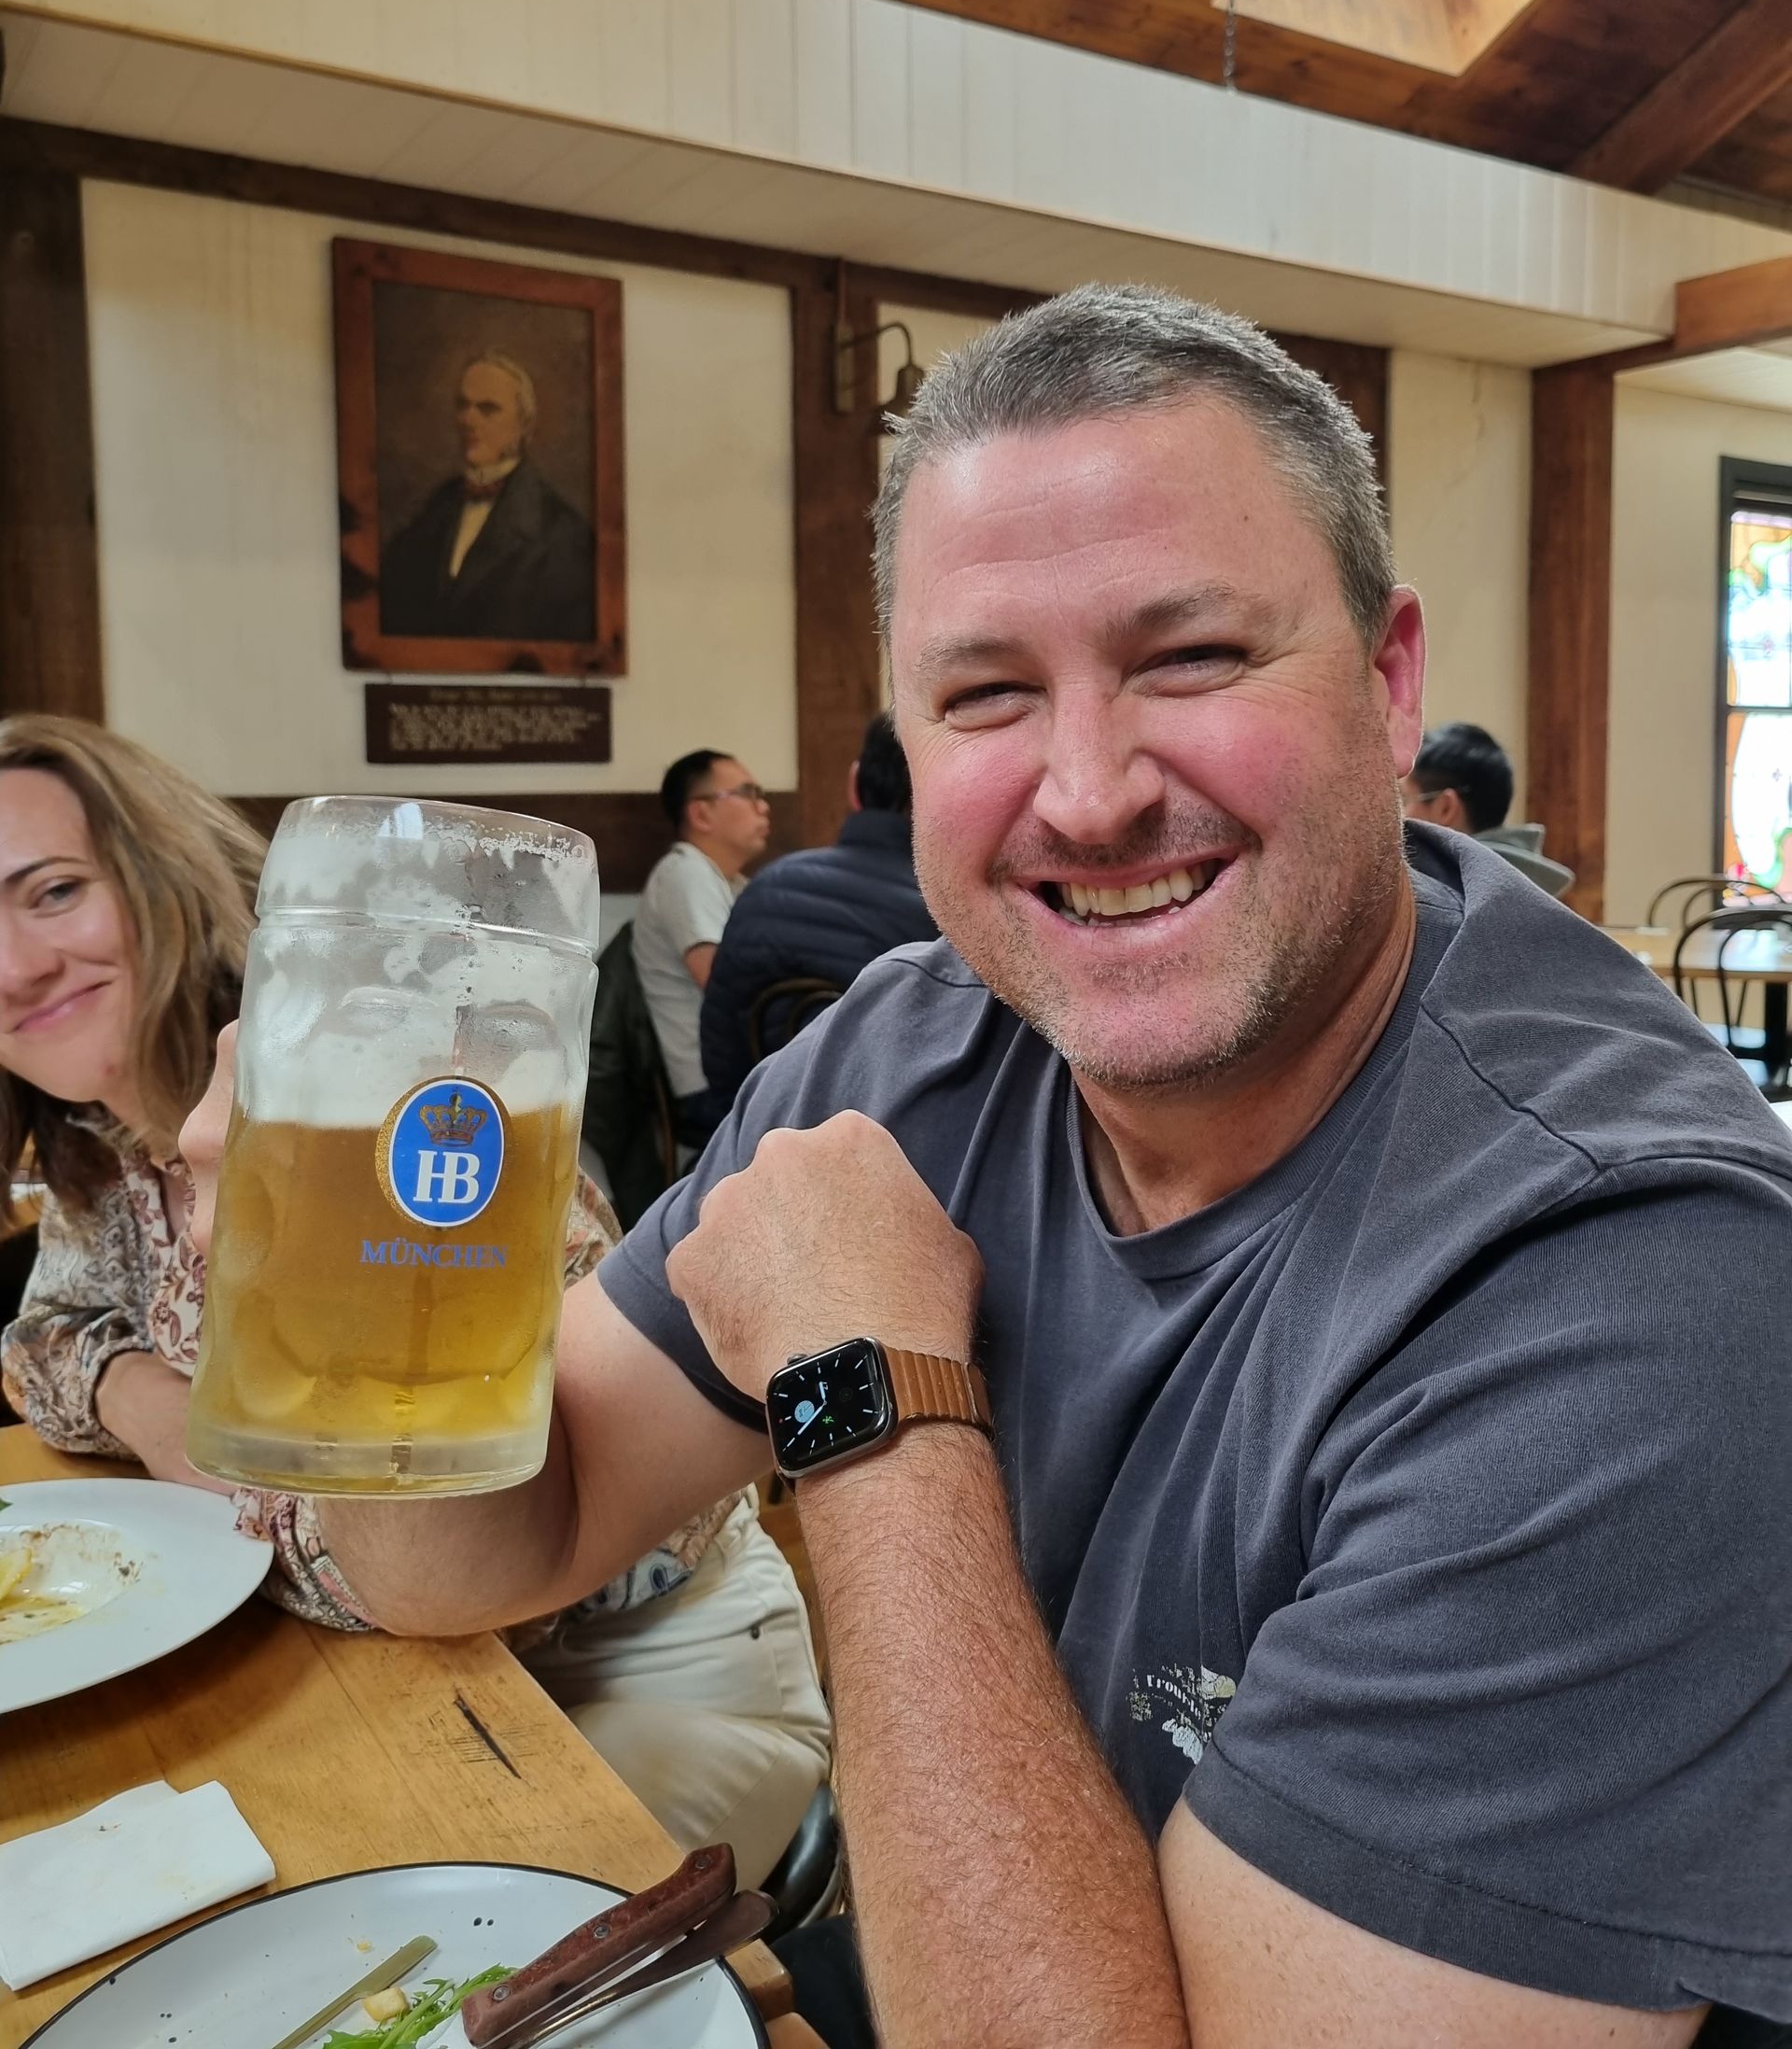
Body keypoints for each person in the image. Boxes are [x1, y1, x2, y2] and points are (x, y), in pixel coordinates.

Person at [183, 288, 1792, 2047]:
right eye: (987, 694)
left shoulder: (1633, 1283)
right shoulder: (912, 1055)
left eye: (1192, 656)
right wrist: (368, 1287)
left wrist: (861, 1397)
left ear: (1390, 682)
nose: (1088, 793)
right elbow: (476, 1559)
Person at [0, 716, 827, 1887]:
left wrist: (247, 1482)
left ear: (161, 873)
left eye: (52, 892)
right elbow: (39, 1339)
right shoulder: (101, 1150)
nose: (15, 964)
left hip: (656, 1665)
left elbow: (467, 1556)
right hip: (387, 1683)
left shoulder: (393, 1076)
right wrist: (149, 1406)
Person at [699, 712, 934, 1113]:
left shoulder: (766, 889)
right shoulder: (948, 912)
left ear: (854, 785)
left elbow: (720, 1051)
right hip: (906, 1137)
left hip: (768, 1126)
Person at [378, 352, 596, 643]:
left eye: (487, 409)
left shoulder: (565, 536)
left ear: (524, 424)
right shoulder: (434, 510)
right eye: (463, 405)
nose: (468, 419)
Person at [634, 750, 771, 1149]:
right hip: (709, 1087)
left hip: (736, 1072)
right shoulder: (685, 872)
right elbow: (721, 984)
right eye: (748, 793)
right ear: (701, 814)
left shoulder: (730, 882)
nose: (763, 806)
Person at [1402, 718, 1575, 897]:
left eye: (1404, 800)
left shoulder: (1439, 898)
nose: (1401, 817)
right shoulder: (1534, 889)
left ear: (1446, 808)